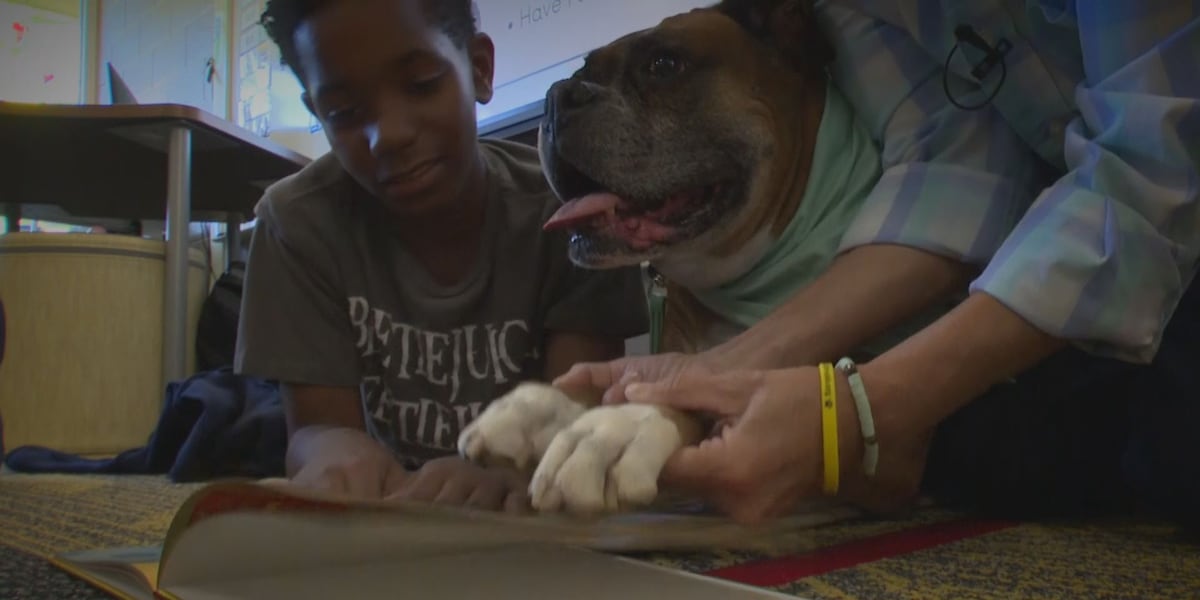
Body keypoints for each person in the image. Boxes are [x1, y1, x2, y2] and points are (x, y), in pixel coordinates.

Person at [556, 1, 1200, 532]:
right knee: (1001, 448)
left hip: (1158, 220)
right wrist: (723, 369)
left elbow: (1155, 169)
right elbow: (957, 167)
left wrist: (865, 411)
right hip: (1091, 249)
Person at [235, 0, 647, 512]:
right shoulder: (297, 224)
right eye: (343, 113)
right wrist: (329, 450)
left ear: (478, 68)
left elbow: (575, 411)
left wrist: (508, 467)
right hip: (389, 524)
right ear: (316, 112)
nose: (388, 135)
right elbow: (315, 428)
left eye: (421, 83)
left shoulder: (569, 214)